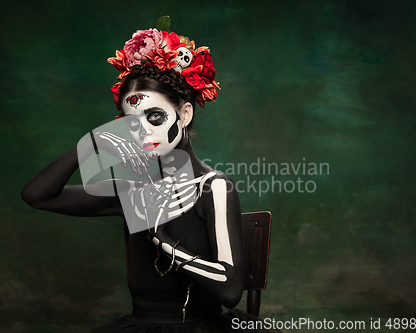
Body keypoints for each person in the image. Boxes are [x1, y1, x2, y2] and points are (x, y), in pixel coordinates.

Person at [22, 26, 270, 332]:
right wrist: (89, 145)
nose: (143, 132)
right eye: (131, 123)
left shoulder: (213, 186)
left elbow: (231, 291)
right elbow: (37, 195)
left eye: (154, 117)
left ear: (185, 115)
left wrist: (163, 243)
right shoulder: (131, 188)